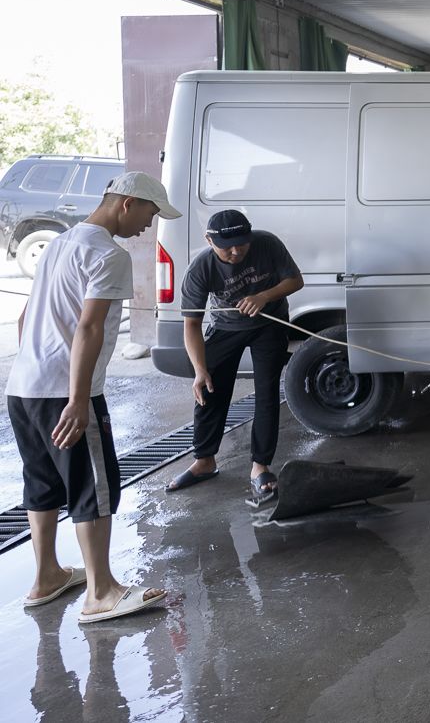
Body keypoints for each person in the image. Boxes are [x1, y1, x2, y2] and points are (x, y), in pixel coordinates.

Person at [8, 171, 178, 622]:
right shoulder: (108, 253)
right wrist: (78, 399)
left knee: (41, 481)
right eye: (150, 214)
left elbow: (25, 318)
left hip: (23, 386)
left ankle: (47, 576)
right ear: (127, 203)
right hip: (64, 390)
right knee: (93, 484)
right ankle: (101, 591)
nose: (148, 225)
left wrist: (38, 369)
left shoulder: (59, 244)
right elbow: (89, 327)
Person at [165, 210, 302, 504]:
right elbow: (191, 325)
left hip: (270, 323)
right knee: (208, 387)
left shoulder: (267, 243)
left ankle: (260, 466)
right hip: (226, 327)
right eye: (227, 247)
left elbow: (295, 280)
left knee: (267, 393)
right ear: (209, 240)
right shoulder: (200, 268)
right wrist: (199, 370)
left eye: (242, 243)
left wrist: (264, 296)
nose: (237, 251)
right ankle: (204, 461)